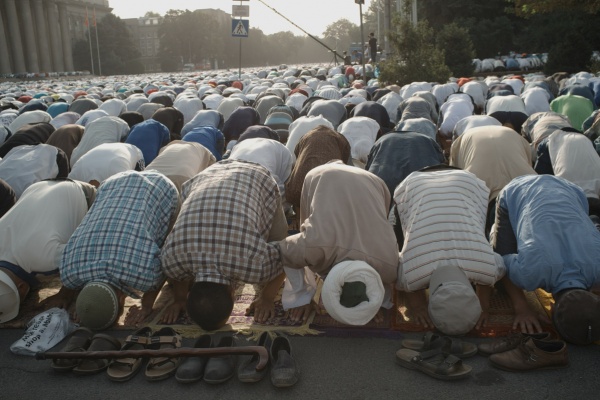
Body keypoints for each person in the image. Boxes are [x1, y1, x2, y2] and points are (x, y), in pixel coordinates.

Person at [160, 160, 288, 330]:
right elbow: (177, 273)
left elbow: (286, 254)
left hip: (259, 179)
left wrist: (267, 297)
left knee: (278, 238)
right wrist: (180, 299)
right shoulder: (171, 259)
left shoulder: (256, 265)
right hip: (207, 175)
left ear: (232, 293)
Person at [277, 161, 399, 325]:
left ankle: (301, 296)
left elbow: (286, 247)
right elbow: (287, 250)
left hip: (369, 180)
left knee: (300, 247)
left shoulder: (388, 267)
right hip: (333, 175)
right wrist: (301, 300)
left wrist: (377, 302)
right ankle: (301, 298)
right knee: (298, 249)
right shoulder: (389, 265)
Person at [57, 170, 180, 330]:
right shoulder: (69, 271)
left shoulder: (143, 276)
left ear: (122, 303)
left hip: (162, 188)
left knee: (168, 240)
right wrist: (89, 306)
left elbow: (165, 257)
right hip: (112, 182)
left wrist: (147, 305)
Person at [394, 166, 506, 336]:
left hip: (456, 181)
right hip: (436, 182)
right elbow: (405, 284)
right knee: (471, 222)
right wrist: (418, 307)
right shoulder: (410, 275)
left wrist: (483, 307)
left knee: (473, 225)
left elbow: (489, 276)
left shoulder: (486, 268)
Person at [490, 174, 600, 342]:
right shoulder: (530, 273)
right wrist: (522, 308)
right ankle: (492, 233)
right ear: (552, 307)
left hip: (571, 190)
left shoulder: (597, 271)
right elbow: (500, 261)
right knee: (500, 273)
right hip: (516, 191)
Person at [0, 179, 96, 323]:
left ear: (22, 287)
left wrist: (65, 294)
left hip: (81, 193)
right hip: (37, 187)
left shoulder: (45, 258)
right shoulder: (40, 255)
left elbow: (87, 254)